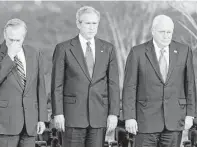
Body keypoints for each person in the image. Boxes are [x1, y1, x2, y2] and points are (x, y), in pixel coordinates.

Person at [122, 14, 196, 147]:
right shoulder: (137, 52)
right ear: (153, 31)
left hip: (174, 120)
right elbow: (129, 87)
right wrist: (129, 117)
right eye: (162, 32)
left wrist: (190, 114)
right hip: (145, 121)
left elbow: (189, 85)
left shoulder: (184, 51)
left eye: (169, 32)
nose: (166, 35)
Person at [51, 6, 120, 147]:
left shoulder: (108, 49)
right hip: (72, 117)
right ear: (78, 24)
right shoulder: (63, 49)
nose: (91, 27)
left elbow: (113, 84)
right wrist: (58, 113)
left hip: (98, 117)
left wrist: (113, 113)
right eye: (87, 23)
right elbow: (56, 85)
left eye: (94, 23)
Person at [0, 18, 48, 147]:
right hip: (5, 125)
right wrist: (9, 56)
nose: (13, 43)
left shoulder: (34, 53)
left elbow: (40, 87)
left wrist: (42, 119)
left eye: (17, 40)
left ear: (23, 38)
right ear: (4, 35)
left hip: (30, 124)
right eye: (10, 39)